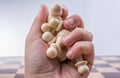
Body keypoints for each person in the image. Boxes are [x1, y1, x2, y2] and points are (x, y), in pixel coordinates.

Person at [25, 4, 94, 78]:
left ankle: (79, 62)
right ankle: (80, 63)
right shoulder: (51, 23)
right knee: (65, 35)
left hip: (60, 51)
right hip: (57, 50)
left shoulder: (58, 23)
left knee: (66, 35)